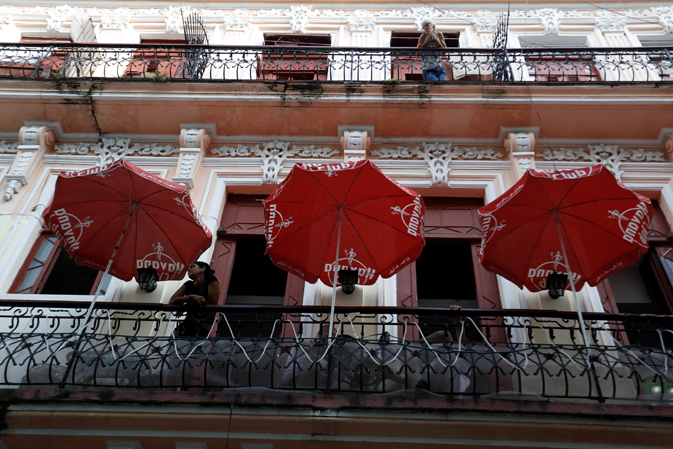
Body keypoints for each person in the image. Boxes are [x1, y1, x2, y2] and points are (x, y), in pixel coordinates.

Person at [170, 262, 220, 338]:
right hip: (187, 324)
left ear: (202, 268)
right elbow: (172, 300)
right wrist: (191, 297)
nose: (188, 269)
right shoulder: (188, 284)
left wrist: (187, 304)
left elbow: (213, 303)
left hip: (202, 327)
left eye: (192, 266)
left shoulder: (211, 279)